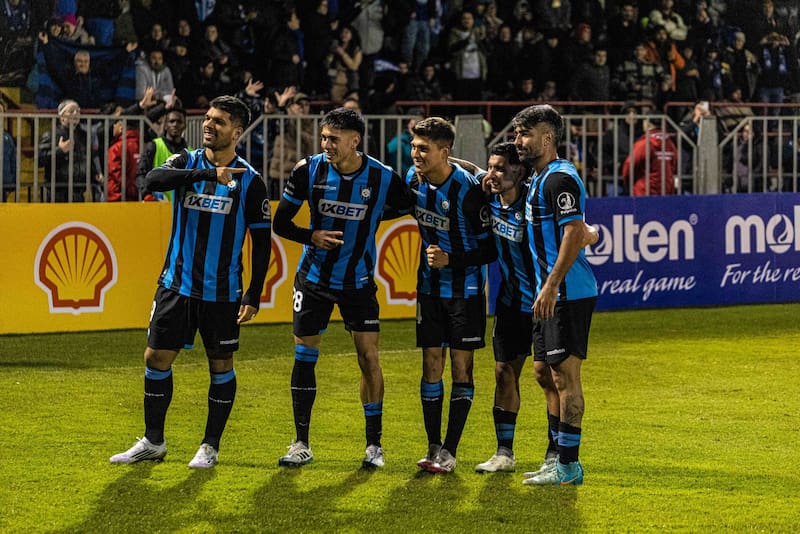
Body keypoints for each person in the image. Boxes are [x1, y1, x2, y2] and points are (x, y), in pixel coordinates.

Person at [110, 95, 271, 469]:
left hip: (222, 291)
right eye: (208, 118)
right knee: (155, 356)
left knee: (221, 363)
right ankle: (153, 441)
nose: (209, 125)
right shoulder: (186, 161)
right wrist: (208, 175)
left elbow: (262, 243)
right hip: (176, 284)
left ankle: (210, 446)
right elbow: (153, 179)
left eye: (219, 121)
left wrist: (254, 293)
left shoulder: (251, 181)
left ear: (237, 131)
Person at [272, 107, 414, 469]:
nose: (326, 144)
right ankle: (301, 443)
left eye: (334, 139)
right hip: (314, 280)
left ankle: (374, 446)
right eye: (324, 137)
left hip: (358, 282)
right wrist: (312, 236)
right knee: (305, 357)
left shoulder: (382, 177)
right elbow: (280, 222)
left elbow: (411, 204)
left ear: (355, 141)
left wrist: (376, 214)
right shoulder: (308, 170)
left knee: (369, 359)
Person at [511, 104, 598, 486]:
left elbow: (574, 232)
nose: (518, 141)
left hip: (566, 294)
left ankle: (568, 466)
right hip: (547, 294)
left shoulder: (560, 179)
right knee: (544, 374)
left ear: (547, 138)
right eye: (517, 134)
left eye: (525, 134)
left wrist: (551, 285)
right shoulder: (539, 178)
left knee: (565, 378)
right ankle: (555, 457)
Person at [406, 117, 497, 474]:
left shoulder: (469, 192)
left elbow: (490, 250)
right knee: (431, 364)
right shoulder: (413, 180)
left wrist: (451, 259)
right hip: (429, 289)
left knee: (461, 368)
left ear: (444, 152)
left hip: (467, 292)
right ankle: (433, 446)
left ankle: (450, 450)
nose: (416, 154)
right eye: (414, 146)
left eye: (423, 148)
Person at [38, 99, 103, 202]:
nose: (76, 113)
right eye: (71, 111)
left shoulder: (83, 136)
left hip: (78, 191)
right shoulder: (52, 135)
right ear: (62, 117)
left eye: (78, 111)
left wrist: (95, 174)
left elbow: (87, 158)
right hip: (57, 193)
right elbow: (39, 159)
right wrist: (60, 151)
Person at [135, 107, 189, 201]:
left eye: (179, 122)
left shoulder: (190, 153)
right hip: (156, 205)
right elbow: (141, 174)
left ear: (184, 125)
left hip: (180, 206)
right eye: (171, 121)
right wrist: (147, 195)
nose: (175, 124)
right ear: (165, 125)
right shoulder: (154, 146)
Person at [622, 112, 678, 196]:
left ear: (646, 123)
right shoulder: (670, 143)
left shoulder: (644, 143)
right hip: (666, 192)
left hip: (644, 192)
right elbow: (674, 165)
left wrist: (627, 183)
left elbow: (629, 165)